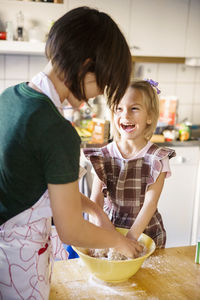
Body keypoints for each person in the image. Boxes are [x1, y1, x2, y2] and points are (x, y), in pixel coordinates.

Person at [0, 7, 143, 300]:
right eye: (101, 85)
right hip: (18, 261)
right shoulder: (56, 130)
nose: (96, 95)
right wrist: (119, 242)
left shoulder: (11, 97)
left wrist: (93, 208)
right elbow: (71, 231)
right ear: (85, 66)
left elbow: (29, 182)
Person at [84, 79, 176, 248]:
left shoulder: (157, 158)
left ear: (149, 116)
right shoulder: (102, 155)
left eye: (134, 108)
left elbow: (151, 203)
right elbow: (95, 199)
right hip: (110, 230)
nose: (125, 115)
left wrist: (131, 240)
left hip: (145, 234)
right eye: (119, 108)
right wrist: (101, 235)